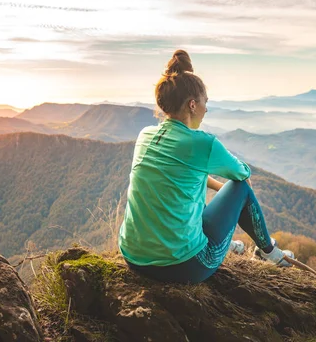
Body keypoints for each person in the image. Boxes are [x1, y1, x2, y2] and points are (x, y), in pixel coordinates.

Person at [118, 49, 294, 284]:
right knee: (241, 188)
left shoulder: (146, 135)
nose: (206, 109)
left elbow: (180, 176)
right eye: (205, 103)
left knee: (183, 195)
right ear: (192, 105)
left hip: (133, 257)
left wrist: (217, 186)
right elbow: (243, 174)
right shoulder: (204, 143)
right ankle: (269, 253)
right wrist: (230, 190)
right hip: (183, 267)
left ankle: (230, 245)